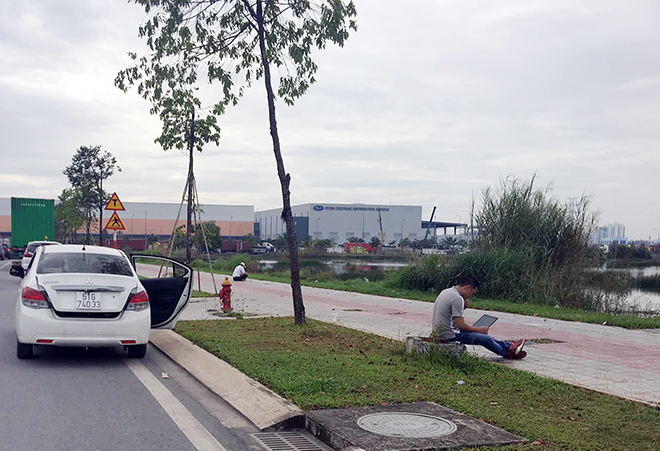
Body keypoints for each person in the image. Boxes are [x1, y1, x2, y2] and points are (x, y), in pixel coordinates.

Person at [431, 275, 526, 359]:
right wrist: (478, 329)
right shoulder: (457, 298)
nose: (471, 296)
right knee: (486, 338)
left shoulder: (447, 291)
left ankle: (509, 346)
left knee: (482, 335)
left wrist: (463, 308)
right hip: (449, 334)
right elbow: (460, 325)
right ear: (467, 288)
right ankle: (508, 352)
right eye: (472, 293)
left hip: (442, 331)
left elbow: (451, 317)